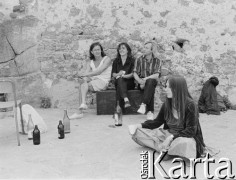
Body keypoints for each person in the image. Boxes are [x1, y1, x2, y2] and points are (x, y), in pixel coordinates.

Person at [128, 75, 206, 159]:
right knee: (137, 132)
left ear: (178, 89)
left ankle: (164, 148)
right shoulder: (167, 104)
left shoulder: (190, 105)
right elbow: (157, 122)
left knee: (186, 143)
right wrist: (138, 125)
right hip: (167, 134)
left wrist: (170, 138)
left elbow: (190, 131)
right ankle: (167, 149)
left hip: (183, 137)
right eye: (166, 86)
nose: (166, 89)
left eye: (169, 87)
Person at [70, 42, 112, 119]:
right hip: (94, 80)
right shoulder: (91, 62)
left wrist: (85, 75)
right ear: (92, 52)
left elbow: (99, 71)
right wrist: (82, 78)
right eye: (95, 50)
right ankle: (82, 106)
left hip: (103, 82)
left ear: (101, 50)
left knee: (83, 84)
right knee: (82, 82)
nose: (97, 51)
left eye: (98, 49)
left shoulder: (107, 59)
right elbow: (87, 73)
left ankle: (81, 109)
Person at [133, 41, 162, 120]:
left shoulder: (157, 60)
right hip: (141, 83)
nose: (144, 49)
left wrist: (144, 79)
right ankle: (150, 112)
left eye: (146, 48)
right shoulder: (139, 59)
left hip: (149, 82)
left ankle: (143, 104)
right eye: (144, 47)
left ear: (152, 50)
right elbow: (135, 73)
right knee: (150, 86)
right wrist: (140, 81)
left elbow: (156, 75)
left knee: (150, 82)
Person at [111, 42, 135, 108]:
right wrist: (119, 74)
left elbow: (133, 74)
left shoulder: (132, 60)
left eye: (123, 48)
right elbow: (113, 74)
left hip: (129, 83)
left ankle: (118, 109)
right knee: (119, 80)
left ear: (128, 50)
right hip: (119, 81)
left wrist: (123, 76)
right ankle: (126, 100)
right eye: (120, 49)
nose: (121, 50)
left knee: (120, 83)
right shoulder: (116, 61)